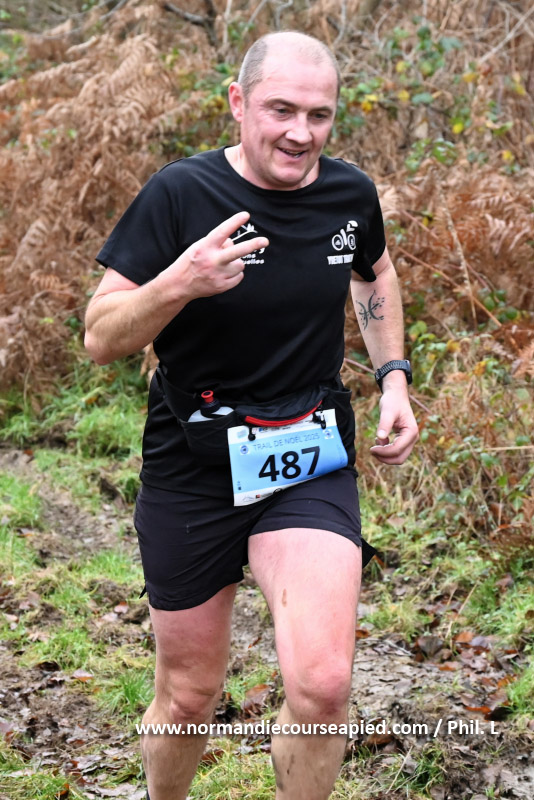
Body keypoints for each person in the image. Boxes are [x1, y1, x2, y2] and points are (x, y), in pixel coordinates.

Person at [84, 30, 418, 800]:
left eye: (319, 115)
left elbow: (375, 273)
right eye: (281, 110)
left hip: (307, 452)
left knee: (324, 687)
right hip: (194, 465)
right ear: (238, 103)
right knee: (189, 694)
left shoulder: (349, 194)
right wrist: (179, 283)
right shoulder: (180, 194)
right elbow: (100, 337)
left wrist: (394, 379)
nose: (301, 133)